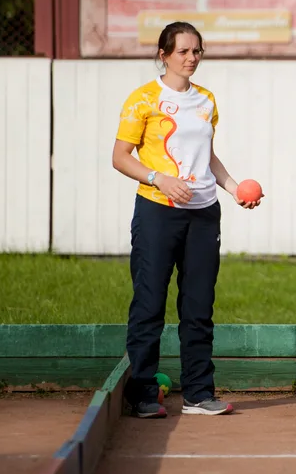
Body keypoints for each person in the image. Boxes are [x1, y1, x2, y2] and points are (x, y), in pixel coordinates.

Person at [112, 21, 261, 418]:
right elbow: (121, 156)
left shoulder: (207, 100)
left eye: (197, 51)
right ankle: (142, 393)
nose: (192, 58)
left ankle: (198, 392)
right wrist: (159, 178)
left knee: (198, 306)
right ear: (163, 55)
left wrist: (232, 188)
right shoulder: (143, 99)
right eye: (183, 51)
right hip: (158, 211)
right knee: (149, 303)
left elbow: (207, 157)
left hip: (204, 214)